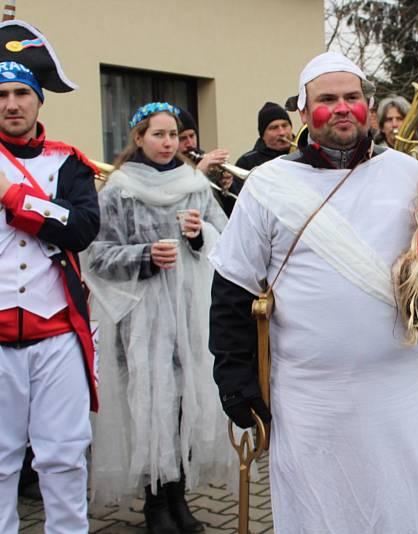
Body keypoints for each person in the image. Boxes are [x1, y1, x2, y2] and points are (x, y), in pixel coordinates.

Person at [208, 51, 418, 533]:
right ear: (303, 112)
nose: (342, 108)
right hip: (310, 399)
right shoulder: (267, 185)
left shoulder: (411, 174)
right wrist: (235, 381)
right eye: (327, 99)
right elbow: (232, 291)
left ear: (367, 104)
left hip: (399, 393)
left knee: (405, 510)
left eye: (352, 97)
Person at [85, 102, 232, 533]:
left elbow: (224, 238)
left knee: (185, 402)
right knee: (151, 406)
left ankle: (179, 498)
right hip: (141, 317)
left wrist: (198, 235)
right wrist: (144, 255)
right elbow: (96, 254)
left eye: (173, 135)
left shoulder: (194, 185)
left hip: (188, 314)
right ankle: (155, 505)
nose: (168, 143)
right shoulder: (118, 189)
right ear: (138, 138)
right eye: (158, 135)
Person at [0, 19, 99, 533]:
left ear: (39, 101)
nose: (11, 104)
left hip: (56, 335)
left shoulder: (69, 163)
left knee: (63, 461)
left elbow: (82, 227)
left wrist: (15, 197)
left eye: (22, 93)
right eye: (1, 94)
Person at [176, 106, 238, 216]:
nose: (190, 143)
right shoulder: (171, 168)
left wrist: (227, 187)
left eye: (192, 136)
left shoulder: (208, 162)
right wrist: (199, 172)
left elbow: (232, 211)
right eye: (182, 138)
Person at [235, 101, 294, 170]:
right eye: (274, 128)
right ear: (263, 135)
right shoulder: (246, 162)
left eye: (284, 125)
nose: (282, 132)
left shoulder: (304, 153)